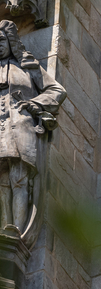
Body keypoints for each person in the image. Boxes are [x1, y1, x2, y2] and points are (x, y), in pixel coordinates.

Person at [0, 20, 66, 233]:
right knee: (2, 181)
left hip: (20, 126)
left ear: (10, 41)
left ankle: (17, 229)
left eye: (1, 40)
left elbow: (56, 91)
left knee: (18, 177)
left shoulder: (27, 66)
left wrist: (34, 104)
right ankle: (4, 226)